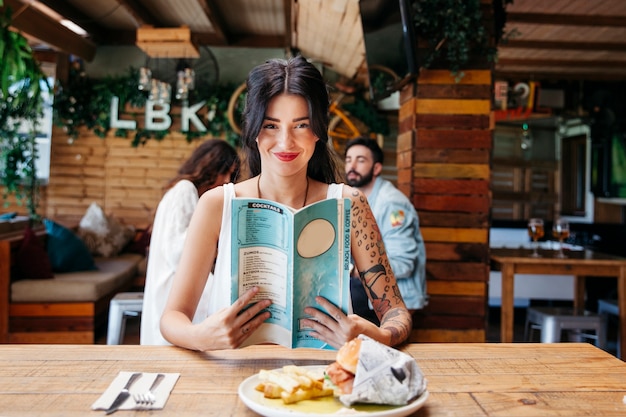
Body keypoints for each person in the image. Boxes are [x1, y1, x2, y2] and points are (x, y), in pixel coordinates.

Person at [160, 55, 412, 351]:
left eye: (301, 125)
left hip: (320, 379)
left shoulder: (349, 203)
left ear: (318, 130)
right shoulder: (217, 204)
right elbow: (172, 317)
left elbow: (397, 313)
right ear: (253, 130)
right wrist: (201, 336)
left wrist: (374, 335)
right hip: (233, 375)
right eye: (271, 126)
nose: (285, 142)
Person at [140, 139, 240, 345]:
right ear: (209, 167)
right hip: (172, 288)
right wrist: (214, 236)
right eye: (225, 172)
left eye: (232, 175)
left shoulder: (189, 193)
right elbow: (177, 251)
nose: (227, 180)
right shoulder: (184, 190)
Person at [344, 137, 427, 323]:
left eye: (361, 160)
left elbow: (404, 263)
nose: (352, 166)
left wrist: (354, 270)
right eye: (348, 159)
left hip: (397, 298)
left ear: (377, 168)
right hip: (373, 289)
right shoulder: (358, 199)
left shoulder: (391, 204)